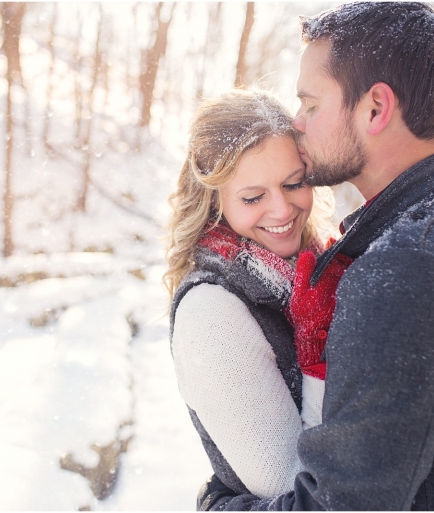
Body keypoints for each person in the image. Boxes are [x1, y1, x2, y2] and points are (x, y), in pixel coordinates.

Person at [197, 2, 434, 510]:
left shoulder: (412, 269)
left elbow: (340, 506)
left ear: (375, 108)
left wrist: (220, 504)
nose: (298, 123)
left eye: (311, 104)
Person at [164, 89, 347, 499]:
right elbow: (294, 487)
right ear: (215, 201)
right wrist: (318, 360)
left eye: (293, 184)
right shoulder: (211, 313)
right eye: (253, 197)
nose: (282, 210)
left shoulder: (320, 266)